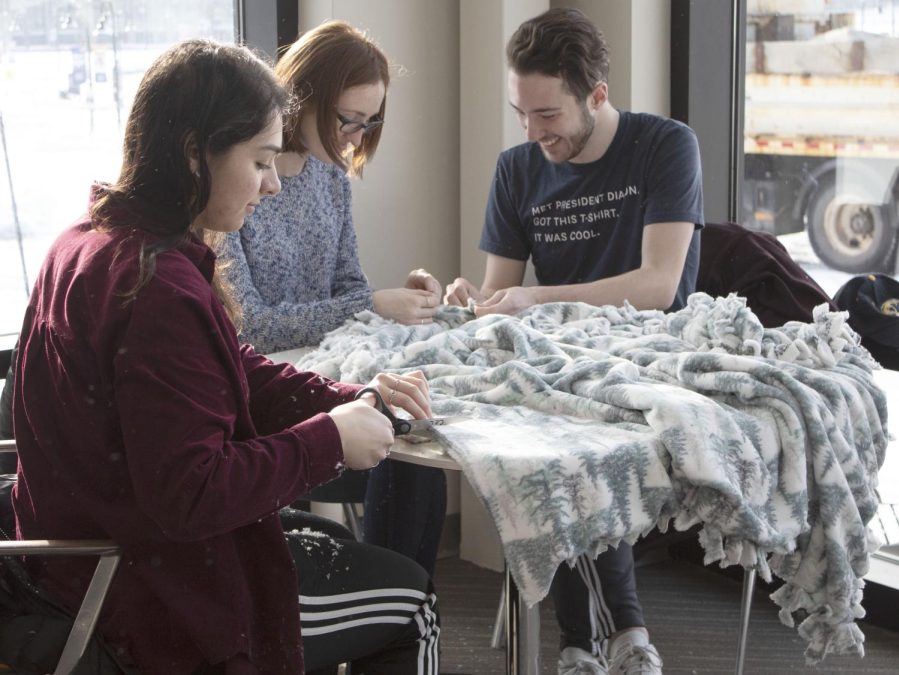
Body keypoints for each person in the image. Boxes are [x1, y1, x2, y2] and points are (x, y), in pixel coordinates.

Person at [11, 39, 440, 675]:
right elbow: (192, 495)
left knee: (342, 544)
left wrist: (345, 400)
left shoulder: (88, 240)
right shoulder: (156, 289)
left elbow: (226, 367)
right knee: (413, 602)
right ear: (194, 153)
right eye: (261, 161)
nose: (271, 185)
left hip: (71, 557)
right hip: (149, 595)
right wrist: (325, 442)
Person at [445, 8, 703, 675]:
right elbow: (501, 292)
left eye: (547, 116)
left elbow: (659, 286)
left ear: (597, 95)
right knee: (547, 437)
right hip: (563, 360)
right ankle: (614, 635)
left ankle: (580, 641)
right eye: (520, 114)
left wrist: (537, 297)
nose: (532, 133)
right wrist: (470, 302)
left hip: (646, 348)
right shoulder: (516, 169)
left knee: (569, 440)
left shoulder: (665, 145)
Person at [218, 21, 447, 577]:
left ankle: (403, 603)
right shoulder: (233, 184)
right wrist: (370, 302)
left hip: (321, 376)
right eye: (350, 119)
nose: (356, 136)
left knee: (413, 431)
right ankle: (386, 606)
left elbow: (349, 287)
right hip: (264, 398)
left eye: (371, 124)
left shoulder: (331, 179)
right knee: (399, 439)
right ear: (304, 99)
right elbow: (250, 328)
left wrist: (396, 297)